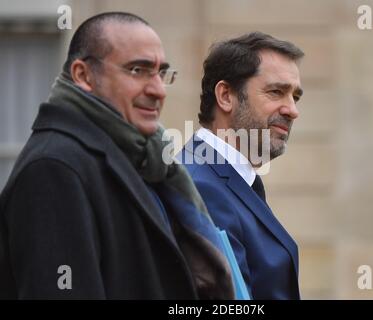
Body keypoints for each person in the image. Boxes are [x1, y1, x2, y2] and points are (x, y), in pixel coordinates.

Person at [0, 12, 234, 299]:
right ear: (83, 75)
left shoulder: (146, 161)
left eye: (161, 73)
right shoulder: (54, 168)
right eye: (138, 70)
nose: (158, 90)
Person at [179, 32, 304, 299]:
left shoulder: (226, 177)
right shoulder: (200, 185)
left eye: (295, 96)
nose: (292, 109)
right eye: (276, 92)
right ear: (225, 96)